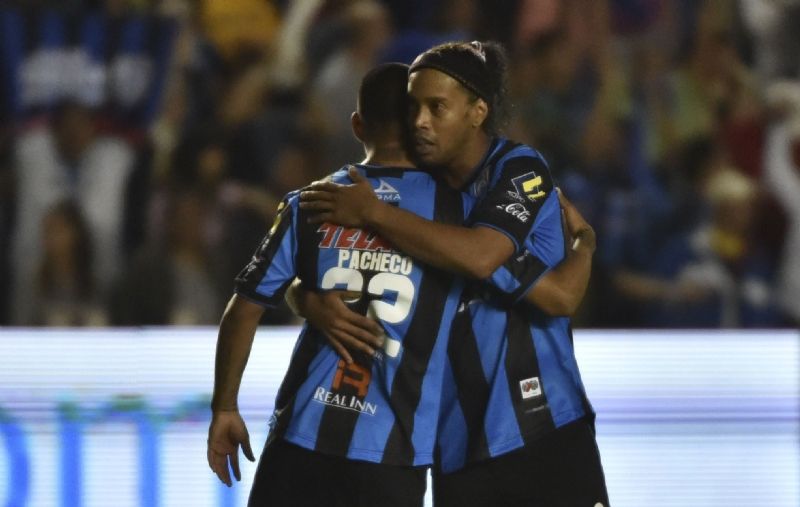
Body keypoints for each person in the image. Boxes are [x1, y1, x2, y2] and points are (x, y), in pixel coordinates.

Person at [208, 62, 595, 506]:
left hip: (298, 439)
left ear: (358, 125)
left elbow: (243, 309)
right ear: (417, 126)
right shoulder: (457, 221)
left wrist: (225, 406)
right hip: (390, 457)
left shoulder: (310, 202)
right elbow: (556, 294)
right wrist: (585, 244)